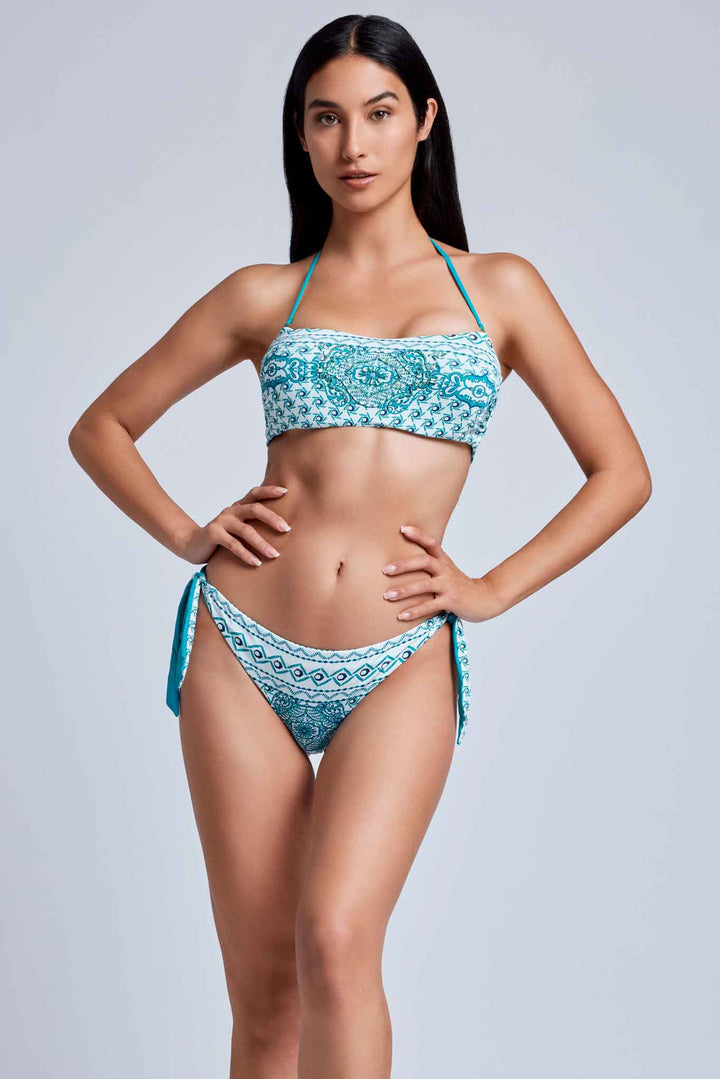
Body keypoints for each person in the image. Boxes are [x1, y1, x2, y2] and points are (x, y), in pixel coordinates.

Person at [68, 13, 652, 1079]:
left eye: (378, 114)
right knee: (266, 994)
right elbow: (100, 426)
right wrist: (191, 532)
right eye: (326, 119)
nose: (353, 144)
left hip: (399, 658)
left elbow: (622, 470)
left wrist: (492, 586)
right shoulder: (265, 294)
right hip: (242, 646)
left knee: (337, 940)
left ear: (425, 121)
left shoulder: (500, 289)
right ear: (301, 137)